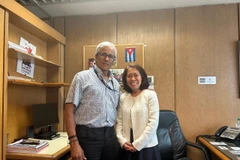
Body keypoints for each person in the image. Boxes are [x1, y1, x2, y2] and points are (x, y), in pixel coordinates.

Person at [64, 41, 121, 160]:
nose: (106, 58)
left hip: (110, 136)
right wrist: (74, 143)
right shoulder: (82, 77)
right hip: (88, 137)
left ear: (113, 60)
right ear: (96, 56)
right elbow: (68, 110)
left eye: (110, 56)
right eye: (103, 54)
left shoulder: (115, 84)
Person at [115, 64, 161, 160]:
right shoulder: (123, 97)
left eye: (136, 75)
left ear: (142, 77)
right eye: (129, 76)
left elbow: (153, 123)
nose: (132, 79)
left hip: (147, 146)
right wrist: (122, 141)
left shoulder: (150, 95)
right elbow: (119, 122)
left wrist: (138, 144)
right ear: (125, 79)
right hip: (126, 146)